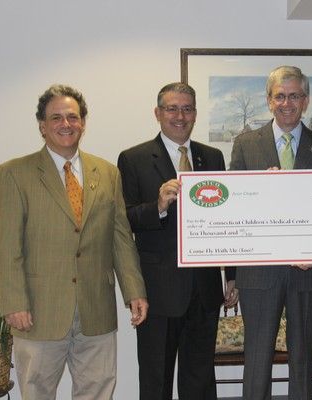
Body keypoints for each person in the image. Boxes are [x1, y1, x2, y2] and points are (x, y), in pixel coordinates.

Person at [0, 84, 148, 400]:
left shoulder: (107, 173)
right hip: (38, 312)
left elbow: (121, 239)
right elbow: (7, 246)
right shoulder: (14, 174)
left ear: (83, 122)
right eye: (56, 118)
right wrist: (13, 303)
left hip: (96, 309)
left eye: (72, 117)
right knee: (37, 392)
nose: (65, 124)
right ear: (42, 125)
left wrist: (134, 291)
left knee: (98, 390)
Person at [117, 82, 237, 400]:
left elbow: (226, 220)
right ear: (157, 113)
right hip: (158, 291)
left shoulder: (212, 157)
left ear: (195, 114)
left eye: (187, 109)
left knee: (200, 382)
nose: (180, 116)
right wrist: (157, 206)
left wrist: (232, 275)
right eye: (172, 108)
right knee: (156, 381)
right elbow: (124, 219)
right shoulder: (133, 159)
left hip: (205, 289)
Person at [229, 65, 312, 400]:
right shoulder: (245, 144)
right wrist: (262, 191)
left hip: (309, 271)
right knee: (257, 358)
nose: (286, 103)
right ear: (269, 100)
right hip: (258, 270)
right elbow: (235, 207)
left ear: (305, 101)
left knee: (303, 358)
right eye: (280, 96)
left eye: (294, 96)